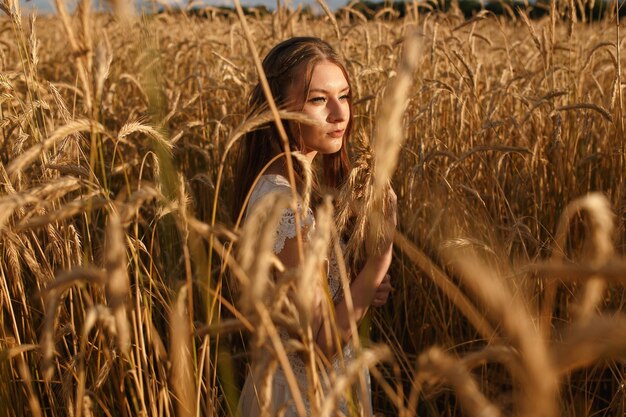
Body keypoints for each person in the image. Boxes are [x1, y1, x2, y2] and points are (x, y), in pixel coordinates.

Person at [233, 37, 395, 417]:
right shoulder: (283, 205)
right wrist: (378, 261)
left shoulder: (290, 189)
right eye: (319, 100)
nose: (340, 113)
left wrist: (361, 290)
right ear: (278, 108)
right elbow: (319, 345)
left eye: (345, 95)